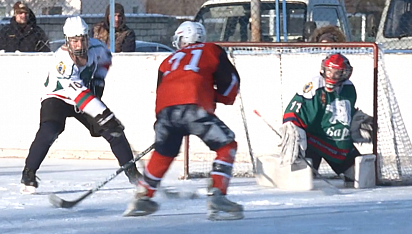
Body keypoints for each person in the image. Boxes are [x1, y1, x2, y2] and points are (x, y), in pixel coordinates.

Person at [123, 21, 244, 221]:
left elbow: (162, 93)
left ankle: (143, 197)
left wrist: (161, 126)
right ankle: (218, 196)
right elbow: (231, 84)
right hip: (194, 108)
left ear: (182, 40)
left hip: (166, 113)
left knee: (164, 152)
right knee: (227, 145)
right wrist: (219, 97)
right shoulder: (211, 50)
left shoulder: (167, 61)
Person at [20, 15, 142, 194]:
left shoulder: (97, 47)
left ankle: (132, 173)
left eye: (82, 40)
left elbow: (106, 59)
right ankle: (28, 173)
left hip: (83, 95)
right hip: (58, 97)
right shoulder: (61, 63)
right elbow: (79, 96)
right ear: (67, 40)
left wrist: (99, 81)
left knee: (113, 131)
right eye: (74, 41)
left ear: (87, 37)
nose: (79, 45)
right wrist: (105, 115)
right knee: (50, 130)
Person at [279, 53, 373, 186]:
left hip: (337, 144)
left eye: (337, 72)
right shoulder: (315, 86)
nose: (332, 76)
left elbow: (346, 112)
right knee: (301, 183)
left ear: (345, 73)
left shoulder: (349, 88)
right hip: (313, 142)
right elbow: (297, 111)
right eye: (329, 71)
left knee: (360, 177)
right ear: (324, 69)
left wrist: (356, 121)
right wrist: (293, 128)